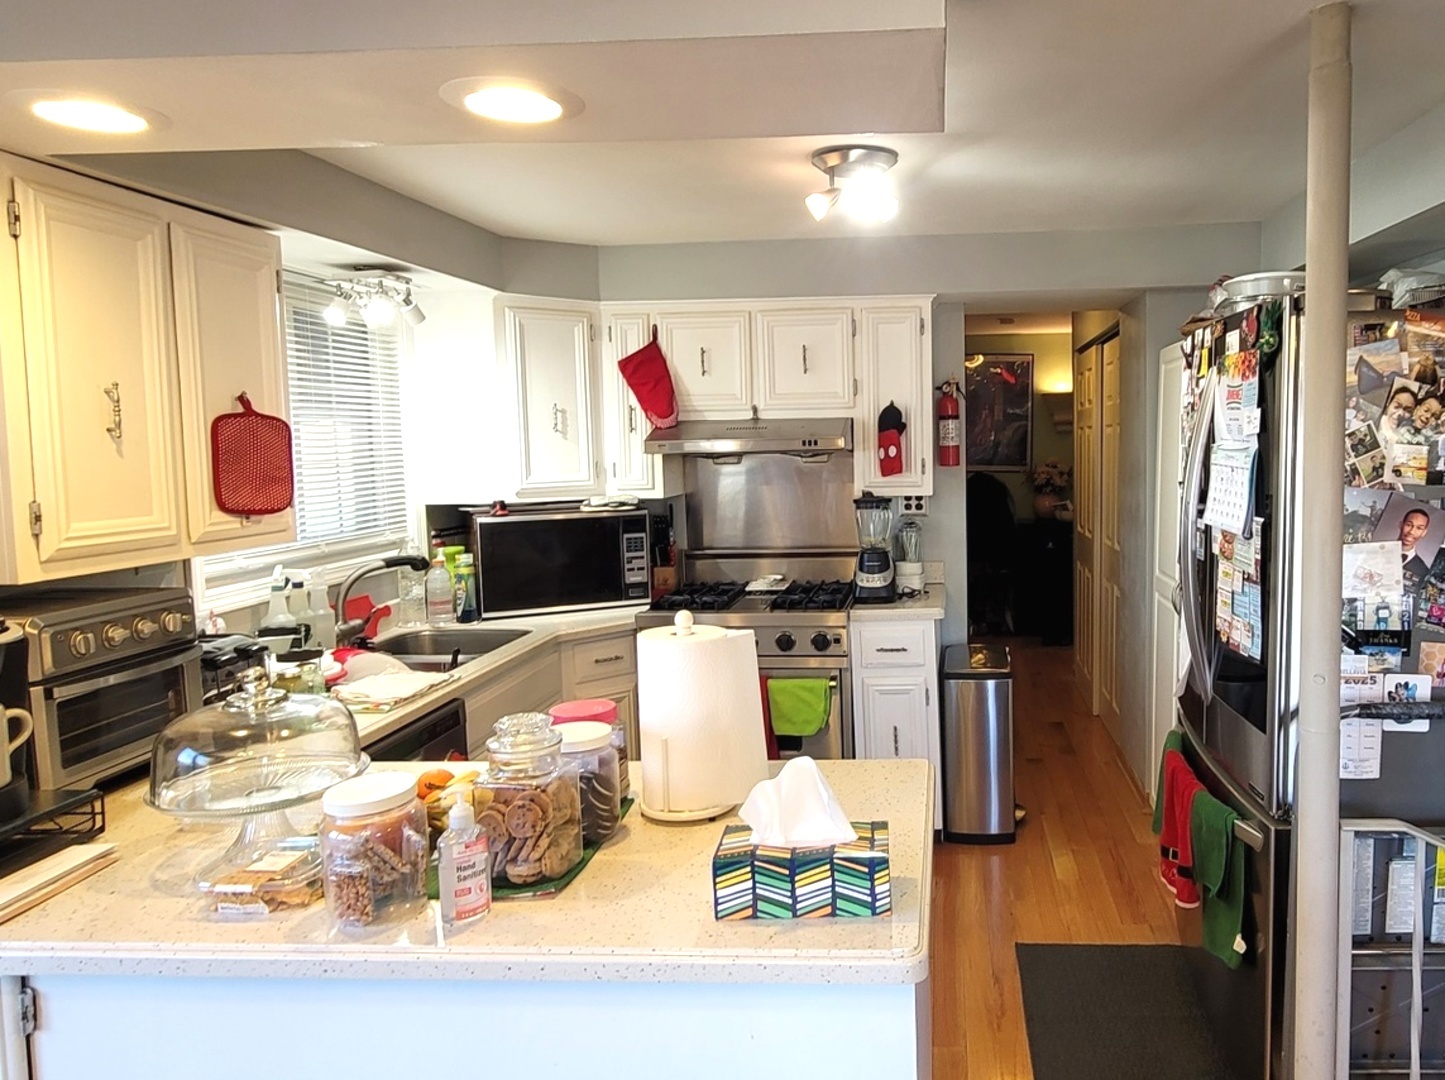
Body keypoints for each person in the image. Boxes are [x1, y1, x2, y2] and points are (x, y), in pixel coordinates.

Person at [1399, 507, 1433, 581]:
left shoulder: (1423, 571)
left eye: (1419, 528)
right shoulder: (1377, 552)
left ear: (1424, 533)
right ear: (1401, 525)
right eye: (1408, 525)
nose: (1411, 531)